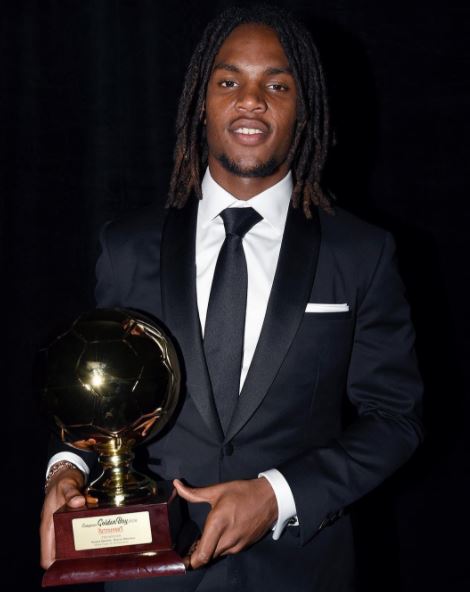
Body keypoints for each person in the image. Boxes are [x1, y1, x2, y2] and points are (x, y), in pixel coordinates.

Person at [40, 5, 423, 591]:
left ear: (305, 107)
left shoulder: (361, 253)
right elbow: (97, 391)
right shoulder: (126, 248)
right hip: (146, 574)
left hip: (299, 571)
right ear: (202, 101)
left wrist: (277, 494)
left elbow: (395, 419)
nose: (251, 100)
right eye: (229, 82)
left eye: (276, 83)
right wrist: (66, 471)